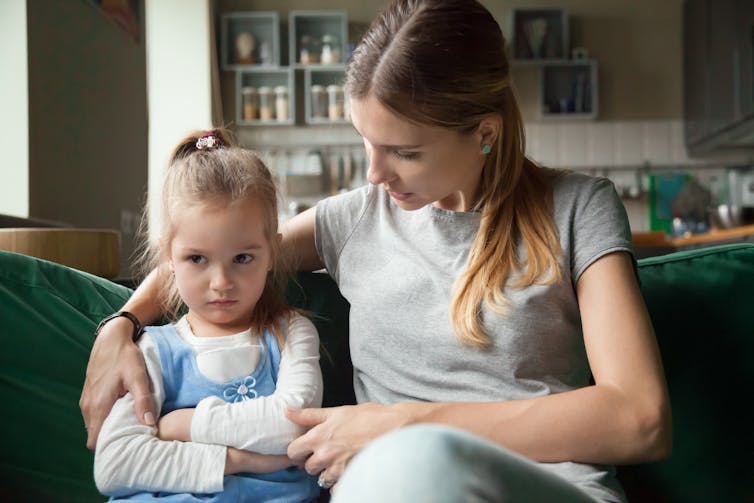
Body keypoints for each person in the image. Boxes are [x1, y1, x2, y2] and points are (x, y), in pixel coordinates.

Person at [81, 1, 672, 501]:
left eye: (404, 151)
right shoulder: (354, 219)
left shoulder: (578, 208)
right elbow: (216, 256)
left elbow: (640, 419)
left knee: (415, 464)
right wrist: (120, 326)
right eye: (366, 142)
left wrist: (403, 425)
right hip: (383, 488)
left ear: (484, 134)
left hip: (535, 485)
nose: (375, 173)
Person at [92, 129, 323, 502]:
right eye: (197, 259)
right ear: (169, 256)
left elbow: (294, 423)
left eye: (243, 258)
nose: (221, 282)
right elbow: (114, 465)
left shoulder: (292, 332)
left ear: (272, 255)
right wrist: (237, 459)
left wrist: (186, 424)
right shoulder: (152, 349)